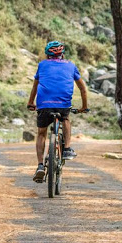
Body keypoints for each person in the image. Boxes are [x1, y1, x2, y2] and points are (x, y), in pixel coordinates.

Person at [27, 40, 88, 182]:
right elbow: (83, 89)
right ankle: (66, 149)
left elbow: (35, 87)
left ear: (47, 55)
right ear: (63, 54)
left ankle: (40, 166)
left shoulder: (42, 65)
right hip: (63, 104)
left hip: (44, 105)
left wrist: (30, 102)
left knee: (41, 133)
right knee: (65, 119)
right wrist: (84, 107)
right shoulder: (71, 66)